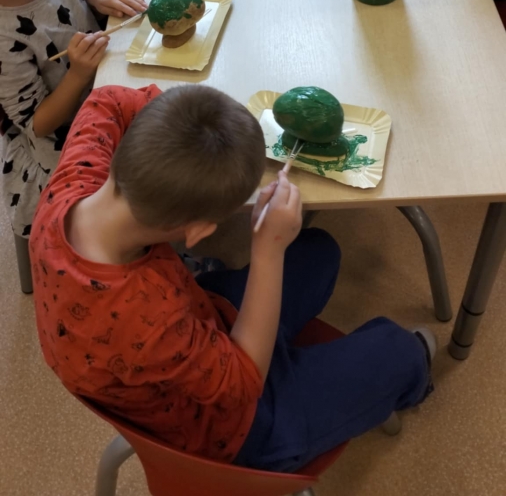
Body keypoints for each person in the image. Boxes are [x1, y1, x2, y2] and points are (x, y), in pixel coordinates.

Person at [31, 82, 434, 473]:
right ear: (198, 232)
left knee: (319, 251)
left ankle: (296, 359)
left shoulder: (78, 175)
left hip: (200, 327)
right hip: (235, 428)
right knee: (399, 352)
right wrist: (267, 251)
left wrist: (190, 127)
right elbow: (243, 383)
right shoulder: (150, 319)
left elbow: (105, 100)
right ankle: (409, 368)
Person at [0, 0, 146, 238]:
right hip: (66, 134)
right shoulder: (4, 36)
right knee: (139, 196)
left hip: (102, 80)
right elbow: (38, 124)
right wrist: (79, 74)